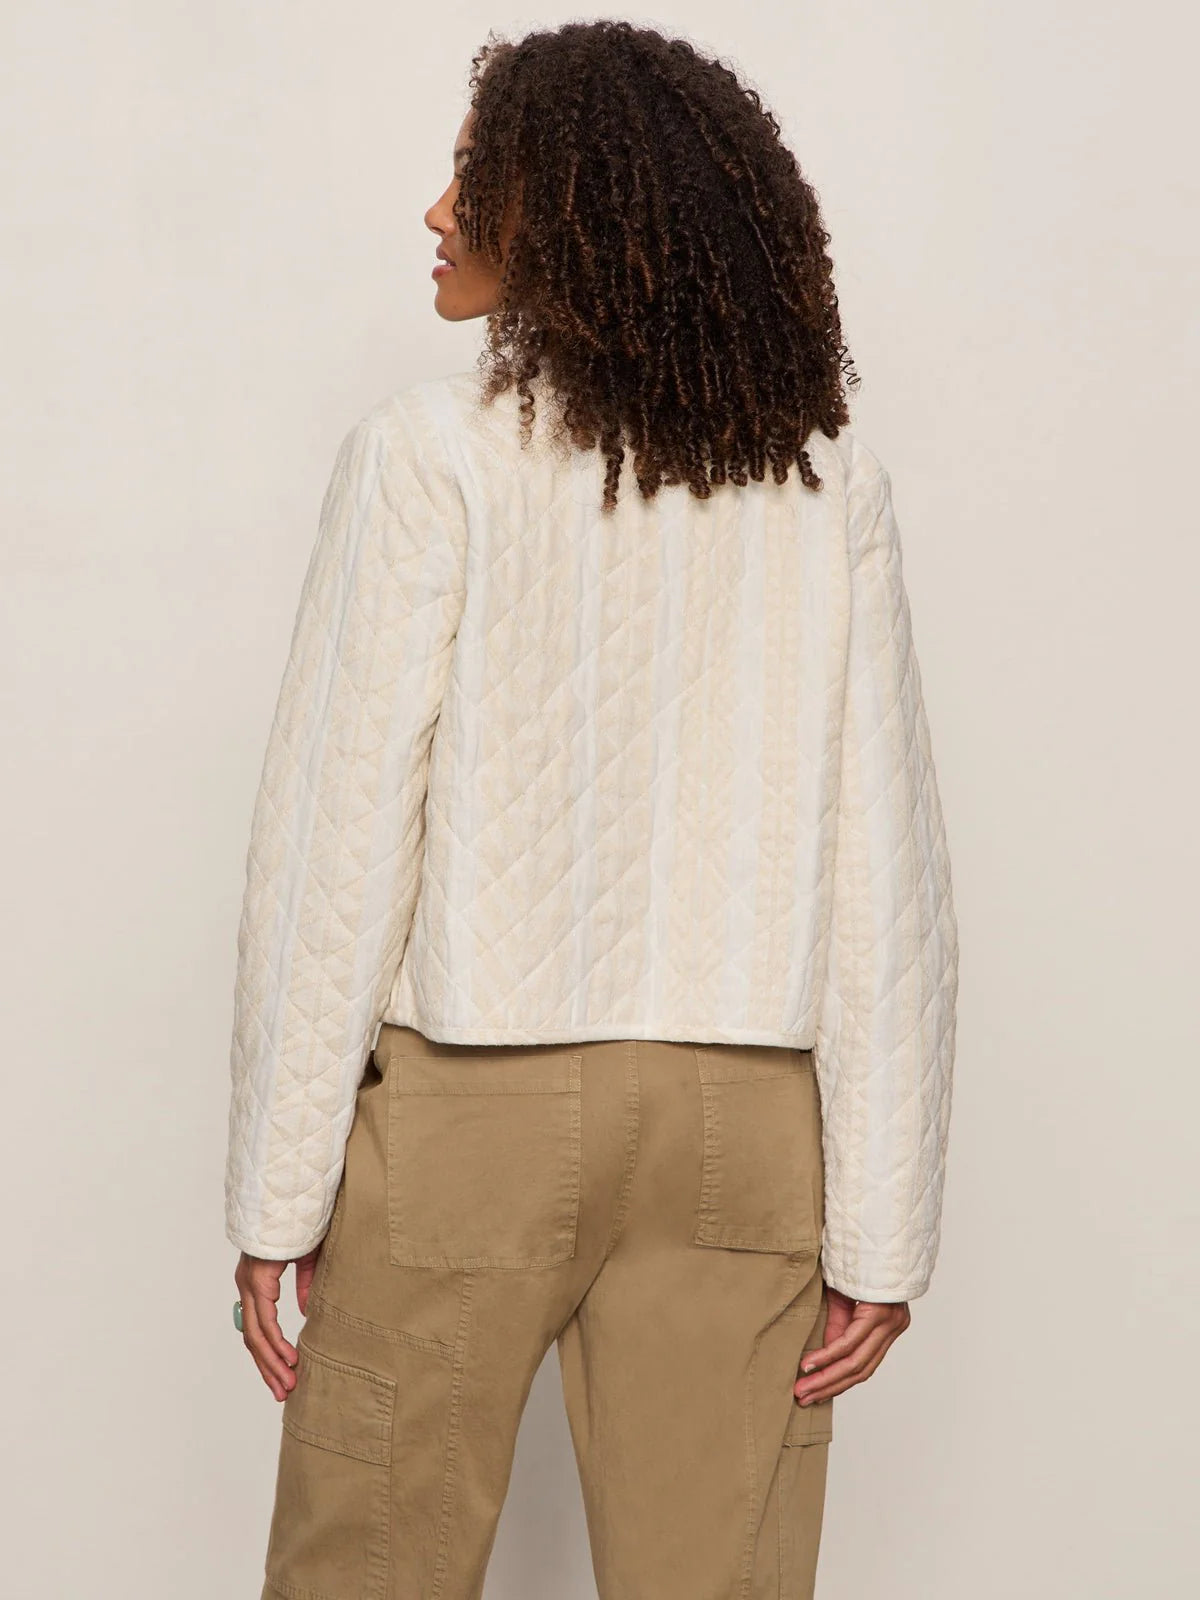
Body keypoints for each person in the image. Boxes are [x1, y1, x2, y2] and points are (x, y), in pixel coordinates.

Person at [224, 20, 959, 1600]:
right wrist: (884, 1227)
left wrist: (277, 1197)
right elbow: (885, 876)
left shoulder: (429, 459)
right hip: (741, 1132)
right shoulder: (827, 487)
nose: (436, 212)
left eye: (473, 178)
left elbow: (337, 844)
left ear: (562, 209)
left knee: (368, 1576)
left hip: (469, 1113)